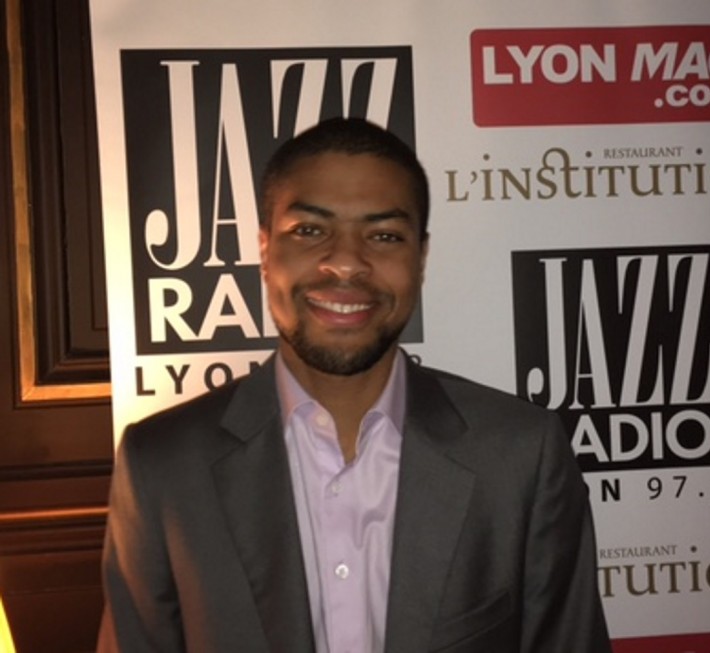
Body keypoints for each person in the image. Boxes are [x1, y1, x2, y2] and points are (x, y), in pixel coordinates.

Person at [98, 117, 611, 652]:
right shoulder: (163, 464)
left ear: (421, 258)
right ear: (265, 251)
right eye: (310, 231)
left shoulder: (520, 456)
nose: (345, 263)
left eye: (383, 235)